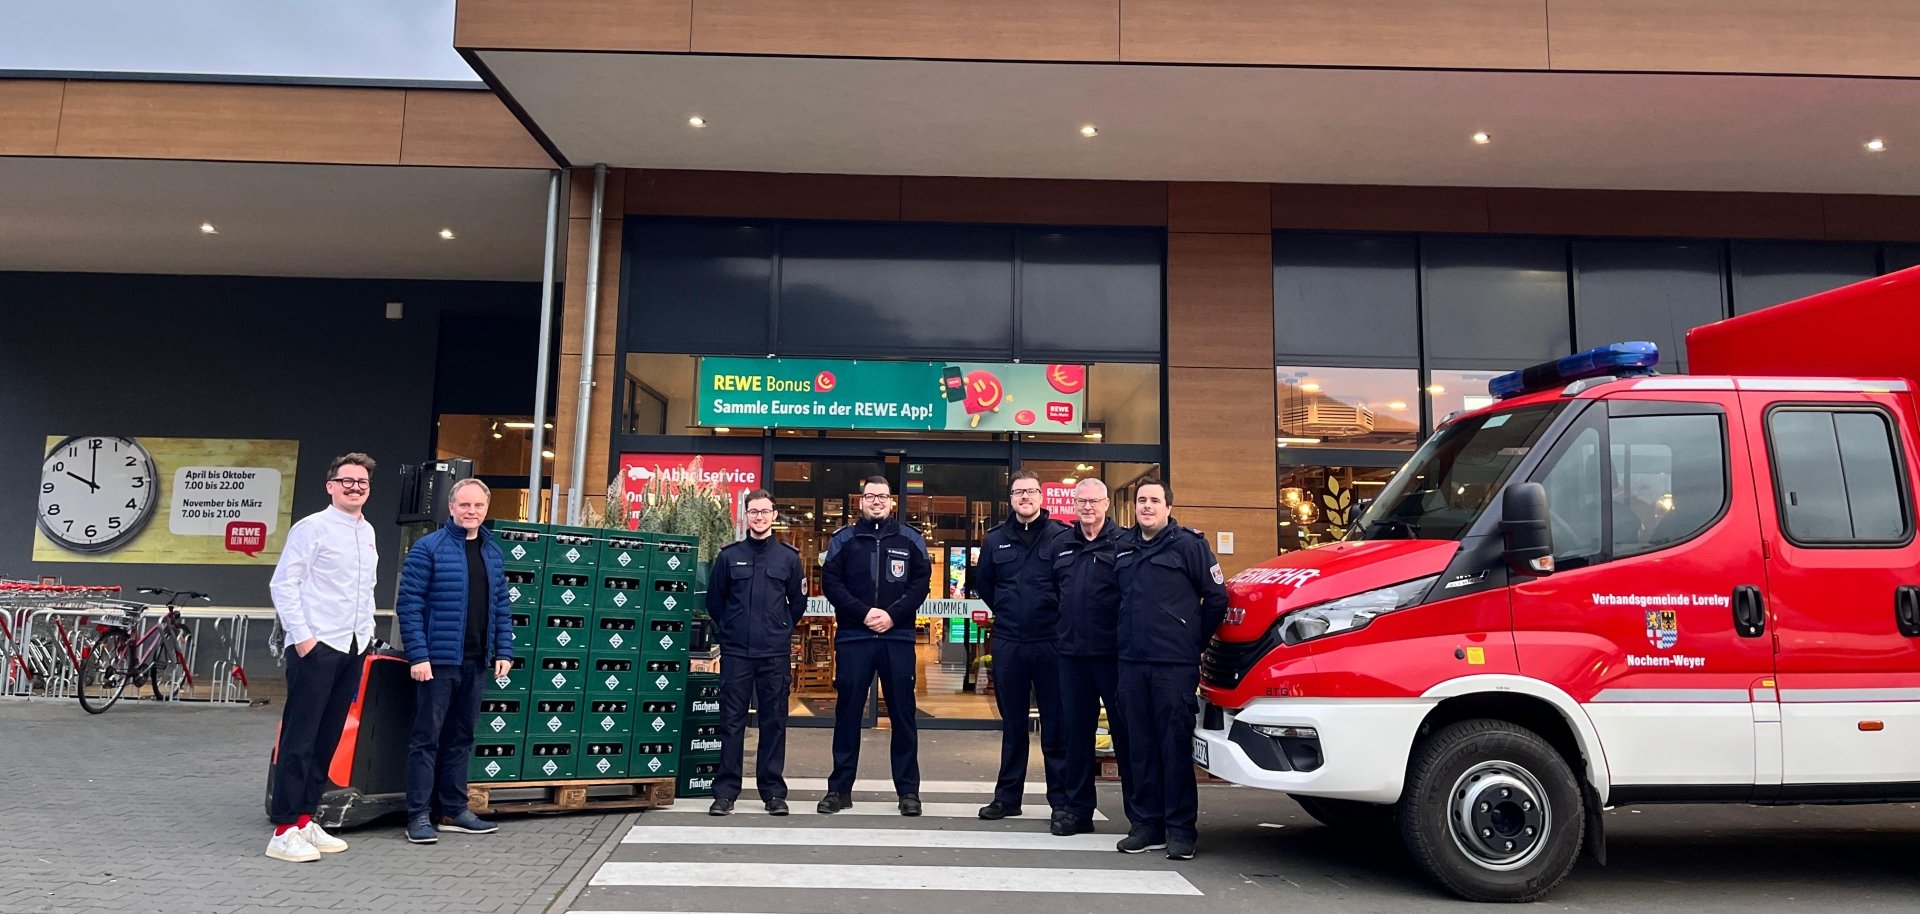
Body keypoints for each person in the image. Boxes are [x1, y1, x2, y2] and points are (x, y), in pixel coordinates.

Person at [265, 453, 380, 863]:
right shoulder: (311, 527)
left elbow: (365, 589)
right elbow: (284, 584)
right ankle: (282, 830)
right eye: (347, 481)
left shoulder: (367, 531)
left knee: (327, 737)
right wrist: (303, 639)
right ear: (331, 486)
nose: (355, 487)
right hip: (317, 646)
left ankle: (304, 819)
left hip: (353, 646)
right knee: (300, 739)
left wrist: (367, 635)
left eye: (362, 482)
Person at [394, 477, 515, 844]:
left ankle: (453, 810)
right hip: (437, 663)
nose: (471, 511)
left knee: (461, 738)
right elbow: (409, 605)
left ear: (486, 509)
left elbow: (501, 606)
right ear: (451, 508)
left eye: (478, 505)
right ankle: (418, 815)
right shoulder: (427, 548)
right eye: (464, 505)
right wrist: (419, 655)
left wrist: (504, 650)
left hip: (476, 661)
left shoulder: (492, 552)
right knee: (426, 739)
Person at [1113, 476, 1228, 861]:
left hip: (1173, 666)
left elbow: (1216, 598)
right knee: (1140, 748)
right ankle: (1147, 826)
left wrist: (1192, 642)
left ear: (1168, 507)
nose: (1146, 506)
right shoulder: (1123, 546)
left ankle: (1180, 830)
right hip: (1132, 664)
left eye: (1154, 500)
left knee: (1173, 747)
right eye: (1141, 500)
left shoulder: (1190, 546)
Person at [819, 475, 931, 816]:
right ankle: (839, 790)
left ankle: (908, 793)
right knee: (847, 714)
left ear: (892, 501)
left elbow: (920, 584)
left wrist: (892, 616)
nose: (877, 501)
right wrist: (864, 613)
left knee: (903, 715)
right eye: (870, 496)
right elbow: (831, 583)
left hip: (897, 637)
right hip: (855, 637)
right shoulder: (844, 539)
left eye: (882, 496)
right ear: (861, 501)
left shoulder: (911, 538)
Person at [970, 470, 1071, 826]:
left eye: (1030, 491)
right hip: (1010, 642)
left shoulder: (1061, 536)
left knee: (1055, 727)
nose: (1024, 497)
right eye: (1018, 492)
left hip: (1050, 642)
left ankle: (1061, 802)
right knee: (1013, 726)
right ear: (1010, 499)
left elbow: (1069, 584)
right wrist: (1008, 609)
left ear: (1041, 496)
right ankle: (1007, 798)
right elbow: (985, 584)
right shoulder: (995, 540)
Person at [705, 488, 807, 816]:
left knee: (774, 722)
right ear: (746, 516)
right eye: (753, 512)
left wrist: (780, 628)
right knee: (731, 721)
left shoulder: (788, 558)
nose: (759, 517)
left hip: (774, 654)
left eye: (765, 511)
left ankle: (773, 793)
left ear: (774, 515)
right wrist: (730, 630)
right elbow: (714, 601)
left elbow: (798, 603)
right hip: (737, 653)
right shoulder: (728, 556)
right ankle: (725, 792)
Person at [1050, 477, 1136, 836]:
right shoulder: (1061, 544)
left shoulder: (1125, 544)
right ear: (1074, 505)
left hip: (1113, 656)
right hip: (1072, 656)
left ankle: (1140, 817)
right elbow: (1055, 593)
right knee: (1076, 736)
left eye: (1094, 501)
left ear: (1106, 505)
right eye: (1081, 501)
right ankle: (1078, 812)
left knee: (1126, 735)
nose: (1087, 507)